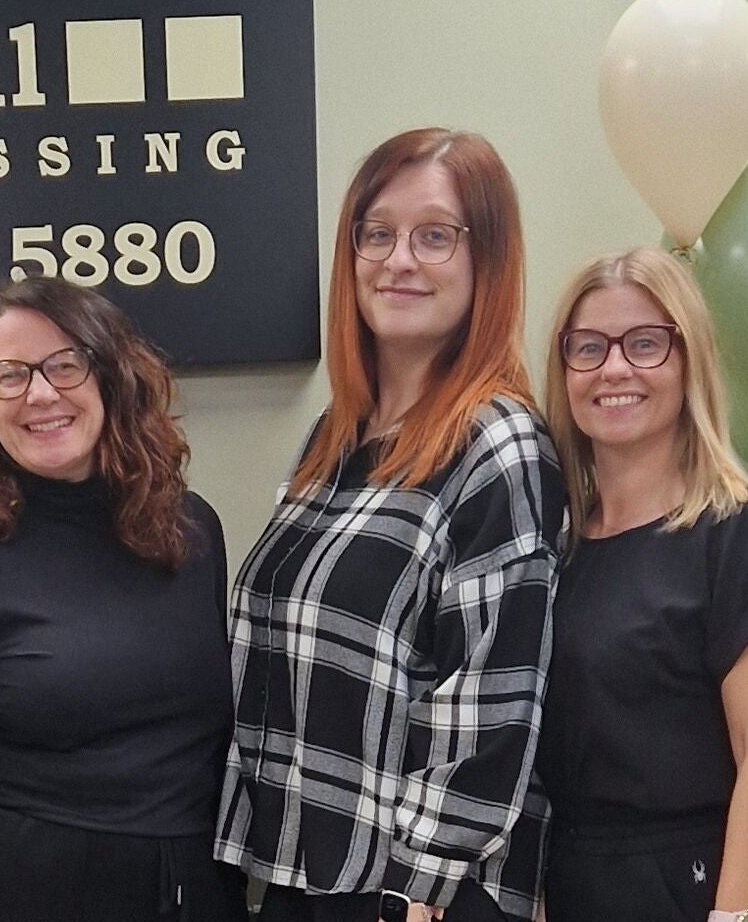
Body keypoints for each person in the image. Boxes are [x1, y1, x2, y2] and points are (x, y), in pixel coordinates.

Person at [215, 128, 566, 922]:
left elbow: (490, 697)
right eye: (377, 233)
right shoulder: (336, 436)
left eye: (434, 236)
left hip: (412, 894)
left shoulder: (497, 445)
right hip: (309, 873)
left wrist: (421, 884)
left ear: (487, 259)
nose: (398, 259)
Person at [0, 276, 247, 922]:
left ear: (109, 375)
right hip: (25, 891)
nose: (41, 393)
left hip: (192, 892)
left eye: (64, 364)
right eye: (10, 375)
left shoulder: (190, 530)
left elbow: (213, 752)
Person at [537, 247, 748, 922]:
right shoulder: (556, 547)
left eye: (645, 343)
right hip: (573, 880)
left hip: (692, 889)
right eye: (589, 347)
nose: (614, 368)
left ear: (690, 361)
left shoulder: (742, 533)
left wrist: (732, 916)